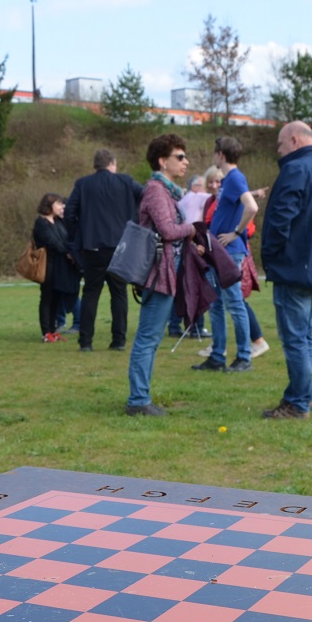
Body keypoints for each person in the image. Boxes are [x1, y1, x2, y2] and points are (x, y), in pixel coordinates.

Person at [260, 121, 312, 420]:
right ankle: (304, 395)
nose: (279, 152)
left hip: (293, 267)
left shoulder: (295, 170)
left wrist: (269, 255)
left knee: (295, 337)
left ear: (294, 140)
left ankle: (297, 402)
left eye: (280, 146)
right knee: (305, 334)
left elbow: (281, 220)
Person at [125, 134, 196, 416]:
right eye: (180, 157)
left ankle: (141, 397)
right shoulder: (156, 190)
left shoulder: (168, 191)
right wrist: (192, 228)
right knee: (148, 338)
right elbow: (167, 231)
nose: (186, 162)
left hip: (166, 270)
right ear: (162, 161)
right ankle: (138, 401)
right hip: (158, 273)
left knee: (151, 337)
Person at [63, 149, 143, 351]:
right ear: (112, 163)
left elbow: (69, 212)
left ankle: (86, 342)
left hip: (93, 246)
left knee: (91, 292)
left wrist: (77, 235)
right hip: (121, 246)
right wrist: (136, 224)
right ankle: (119, 340)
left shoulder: (83, 184)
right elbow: (146, 196)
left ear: (95, 165)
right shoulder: (126, 182)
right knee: (119, 293)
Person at [192, 136, 256, 373]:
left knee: (234, 304)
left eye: (214, 151)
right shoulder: (229, 180)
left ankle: (243, 357)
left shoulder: (235, 178)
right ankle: (217, 356)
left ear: (221, 155)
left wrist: (236, 233)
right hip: (217, 251)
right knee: (216, 304)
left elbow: (252, 206)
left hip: (229, 252)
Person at [33, 194, 79, 342]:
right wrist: (67, 252)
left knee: (57, 299)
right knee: (47, 298)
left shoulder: (59, 221)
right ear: (49, 205)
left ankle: (53, 330)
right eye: (58, 204)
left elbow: (66, 239)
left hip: (61, 266)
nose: (61, 207)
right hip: (48, 265)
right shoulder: (41, 223)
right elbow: (52, 242)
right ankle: (46, 331)